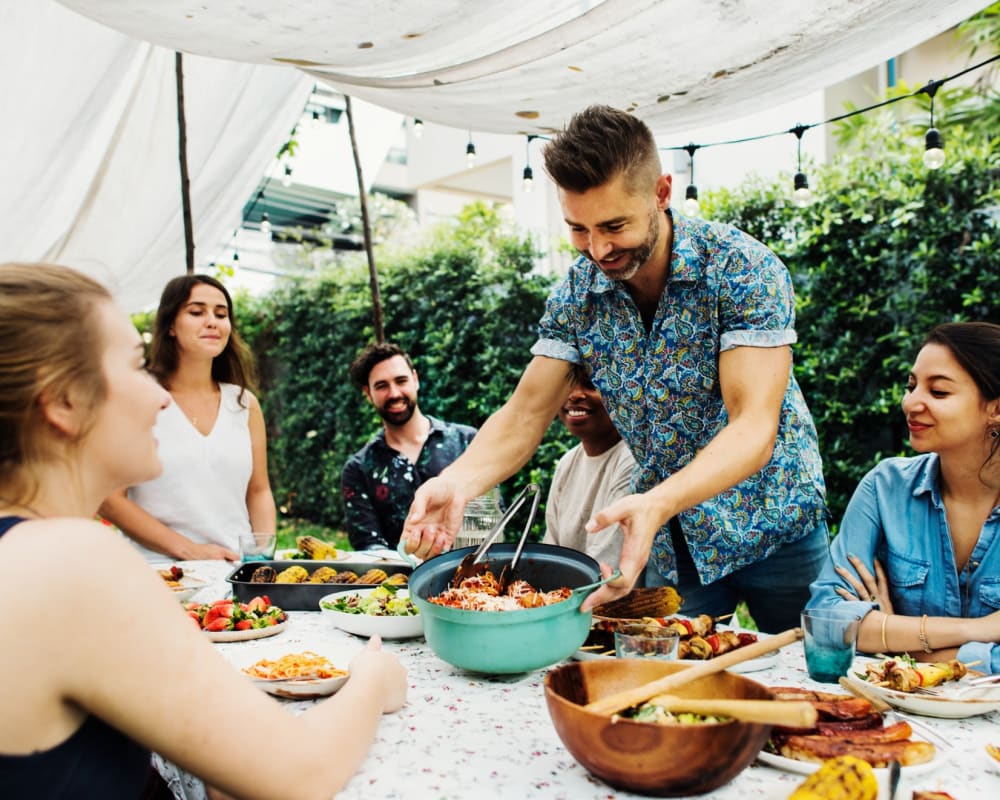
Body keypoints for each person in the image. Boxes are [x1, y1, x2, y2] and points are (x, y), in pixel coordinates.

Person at [402, 105, 828, 632]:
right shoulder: (577, 293)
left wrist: (657, 501)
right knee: (673, 689)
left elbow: (753, 426)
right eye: (578, 229)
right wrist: (458, 482)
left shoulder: (743, 269)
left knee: (809, 680)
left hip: (774, 523)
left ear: (662, 193)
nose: (598, 249)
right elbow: (525, 413)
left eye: (614, 225)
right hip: (669, 535)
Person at [0, 262, 407, 799]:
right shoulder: (70, 562)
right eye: (136, 367)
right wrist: (373, 676)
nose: (160, 397)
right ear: (64, 403)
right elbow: (296, 774)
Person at [807, 322, 1000, 673]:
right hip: (895, 711)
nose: (910, 402)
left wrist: (896, 641)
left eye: (938, 392)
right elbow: (827, 620)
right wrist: (979, 631)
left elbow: (861, 633)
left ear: (996, 409)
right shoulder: (884, 488)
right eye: (911, 386)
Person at [99, 274, 275, 561]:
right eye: (196, 312)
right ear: (170, 326)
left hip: (234, 570)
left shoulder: (244, 403)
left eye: (221, 314)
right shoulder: (139, 395)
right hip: (160, 574)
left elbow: (259, 491)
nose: (212, 321)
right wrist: (187, 550)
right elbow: (110, 499)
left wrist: (262, 556)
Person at [341, 342, 477, 550]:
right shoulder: (358, 469)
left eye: (401, 381)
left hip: (473, 576)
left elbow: (492, 515)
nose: (394, 393)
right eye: (381, 386)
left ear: (415, 379)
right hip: (398, 580)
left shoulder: (467, 442)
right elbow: (368, 546)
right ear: (368, 393)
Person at [542, 373, 635, 567]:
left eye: (591, 384)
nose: (574, 395)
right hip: (568, 592)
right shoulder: (566, 464)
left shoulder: (632, 460)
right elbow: (550, 553)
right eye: (567, 384)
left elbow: (605, 564)